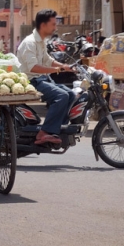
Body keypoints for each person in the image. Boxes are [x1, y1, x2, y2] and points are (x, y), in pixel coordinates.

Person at [17, 9, 77, 146]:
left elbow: (47, 59)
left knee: (71, 94)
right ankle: (44, 133)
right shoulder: (30, 43)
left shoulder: (41, 41)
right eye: (53, 24)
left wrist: (64, 66)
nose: (55, 27)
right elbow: (33, 67)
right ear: (43, 25)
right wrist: (57, 69)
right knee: (61, 96)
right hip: (31, 81)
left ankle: (56, 130)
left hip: (41, 79)